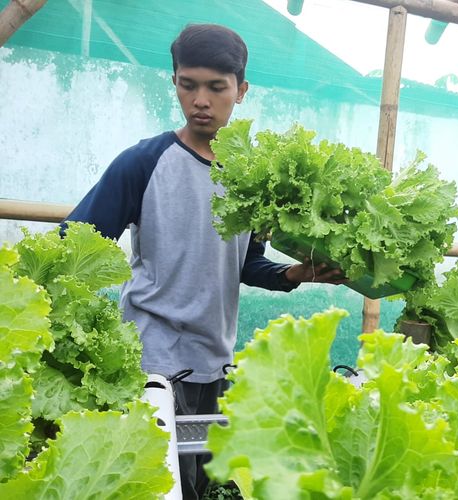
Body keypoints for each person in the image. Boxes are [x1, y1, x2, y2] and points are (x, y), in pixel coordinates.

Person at [64, 23, 344, 499]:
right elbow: (74, 241)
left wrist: (291, 274)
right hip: (153, 362)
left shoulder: (253, 176)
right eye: (187, 84)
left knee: (205, 485)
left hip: (213, 360)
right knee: (161, 485)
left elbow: (243, 263)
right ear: (174, 82)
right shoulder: (143, 162)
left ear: (241, 91)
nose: (200, 100)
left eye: (216, 87)